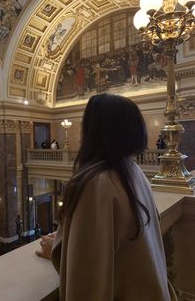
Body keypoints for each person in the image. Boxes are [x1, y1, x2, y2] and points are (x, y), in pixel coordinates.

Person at [36, 93, 173, 301]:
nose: (80, 131)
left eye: (85, 123)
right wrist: (66, 243)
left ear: (98, 132)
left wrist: (55, 251)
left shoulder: (96, 185)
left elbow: (88, 280)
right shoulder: (135, 173)